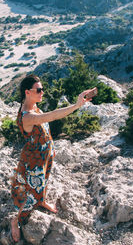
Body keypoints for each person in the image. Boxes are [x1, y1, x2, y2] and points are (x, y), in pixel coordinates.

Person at [10, 74, 97, 242]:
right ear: (28, 92)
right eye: (39, 90)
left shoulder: (33, 105)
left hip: (45, 154)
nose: (43, 92)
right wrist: (77, 105)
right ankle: (16, 220)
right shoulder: (27, 116)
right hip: (34, 160)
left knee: (43, 182)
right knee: (31, 197)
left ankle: (41, 201)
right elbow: (53, 115)